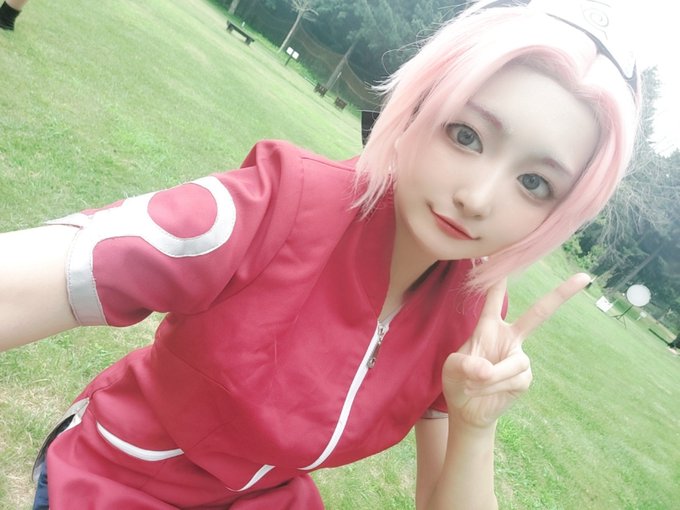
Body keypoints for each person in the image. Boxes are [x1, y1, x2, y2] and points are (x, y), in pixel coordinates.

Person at [0, 0, 640, 508]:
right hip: (119, 482)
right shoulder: (277, 205)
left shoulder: (468, 317)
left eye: (534, 183)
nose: (477, 197)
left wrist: (475, 423)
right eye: (466, 134)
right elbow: (49, 274)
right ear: (418, 109)